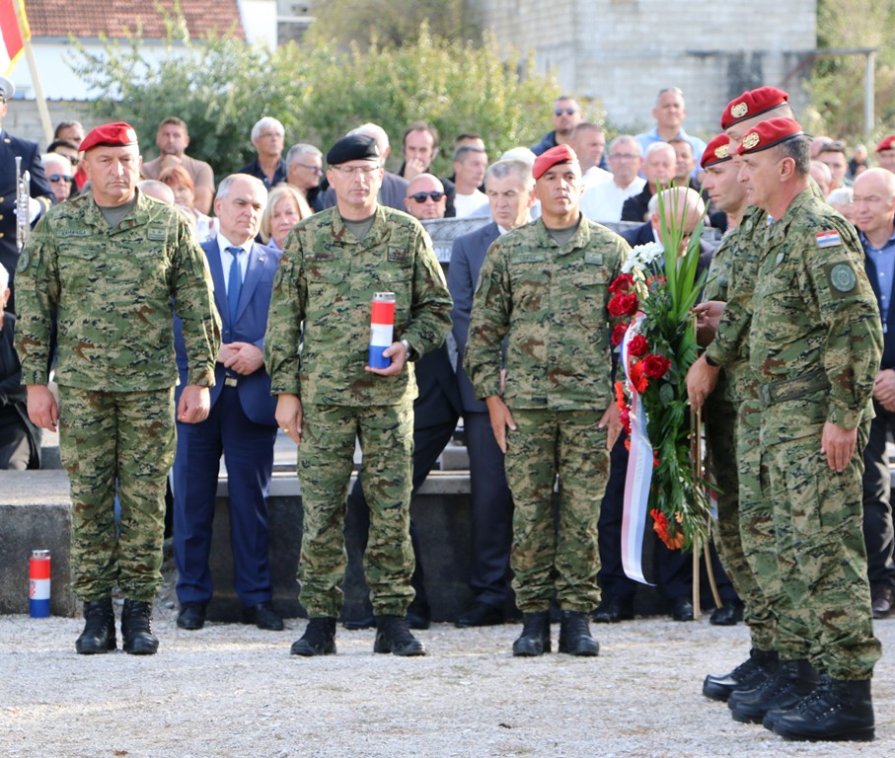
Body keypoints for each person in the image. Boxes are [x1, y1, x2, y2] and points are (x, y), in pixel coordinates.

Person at [15, 121, 221, 656]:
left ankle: (139, 613)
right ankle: (96, 614)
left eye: (126, 159)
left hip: (148, 388)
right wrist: (35, 383)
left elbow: (197, 303)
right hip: (82, 388)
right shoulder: (60, 226)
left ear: (138, 162)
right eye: (106, 161)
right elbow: (34, 307)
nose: (118, 170)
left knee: (146, 502)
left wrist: (201, 378)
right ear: (86, 167)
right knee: (87, 501)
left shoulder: (167, 224)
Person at [265, 133, 452, 657]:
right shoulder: (308, 237)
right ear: (331, 177)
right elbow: (283, 319)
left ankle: (392, 619)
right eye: (348, 171)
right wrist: (285, 390)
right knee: (322, 509)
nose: (358, 180)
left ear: (380, 174)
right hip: (323, 397)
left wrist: (409, 346)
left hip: (387, 399)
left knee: (390, 508)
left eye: (367, 170)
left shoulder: (406, 233)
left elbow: (438, 308)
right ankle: (320, 621)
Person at [727, 117, 882, 742]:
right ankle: (810, 675)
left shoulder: (818, 231)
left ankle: (849, 697)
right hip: (781, 426)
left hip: (817, 426)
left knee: (827, 557)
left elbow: (857, 327)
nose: (742, 175)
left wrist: (843, 417)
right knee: (794, 557)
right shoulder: (779, 232)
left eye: (751, 165)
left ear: (785, 167)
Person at [464, 144, 627, 657]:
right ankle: (533, 617)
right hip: (526, 409)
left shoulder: (610, 250)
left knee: (582, 516)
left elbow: (631, 335)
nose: (561, 186)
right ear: (536, 189)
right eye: (551, 178)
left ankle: (577, 618)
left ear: (582, 185)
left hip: (589, 408)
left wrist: (621, 397)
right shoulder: (509, 251)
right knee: (530, 516)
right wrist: (492, 398)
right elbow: (483, 333)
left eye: (569, 177)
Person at [688, 84, 794, 708]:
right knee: (739, 534)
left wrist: (714, 348)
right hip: (736, 408)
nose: (719, 178)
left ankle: (792, 662)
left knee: (769, 537)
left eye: (729, 162)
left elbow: (759, 317)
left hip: (768, 408)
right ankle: (769, 650)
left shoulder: (788, 226)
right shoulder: (740, 231)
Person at [342, 169, 461, 632]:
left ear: (446, 203)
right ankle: (390, 602)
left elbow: (443, 314)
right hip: (388, 398)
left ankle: (410, 603)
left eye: (436, 196)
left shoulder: (456, 244)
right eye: (419, 197)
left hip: (437, 402)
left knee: (380, 495)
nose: (429, 203)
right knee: (371, 496)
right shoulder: (384, 241)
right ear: (404, 203)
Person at [173, 174, 283, 633]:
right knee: (191, 502)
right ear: (218, 207)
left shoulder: (277, 263)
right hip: (199, 396)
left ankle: (256, 599)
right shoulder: (191, 258)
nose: (249, 213)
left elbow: (294, 323)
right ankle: (192, 598)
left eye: (257, 206)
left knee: (251, 505)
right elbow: (172, 319)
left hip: (253, 401)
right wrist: (210, 352)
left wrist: (262, 351)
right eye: (240, 203)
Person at [448, 159, 535, 627]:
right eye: (494, 195)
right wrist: (492, 372)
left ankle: (537, 593)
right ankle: (488, 593)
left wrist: (520, 369)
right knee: (490, 496)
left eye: (510, 194)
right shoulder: (468, 247)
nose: (501, 203)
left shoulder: (544, 243)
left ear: (529, 195)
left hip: (541, 390)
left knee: (539, 496)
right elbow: (463, 315)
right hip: (486, 393)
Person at [851, 167, 895, 620]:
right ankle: (880, 584)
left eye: (872, 200)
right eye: (857, 199)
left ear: (892, 205)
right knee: (870, 486)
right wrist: (874, 375)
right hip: (864, 384)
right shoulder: (844, 249)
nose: (861, 208)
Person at [0, 76, 55, 314]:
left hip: (9, 261)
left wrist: (35, 207)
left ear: (4, 108)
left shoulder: (24, 149)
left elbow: (49, 198)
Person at [0, 264, 40, 470]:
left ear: (5, 296)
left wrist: (2, 392)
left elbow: (31, 371)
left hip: (13, 421)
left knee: (12, 466)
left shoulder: (21, 331)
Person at [141, 117, 215, 214]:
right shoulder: (144, 169)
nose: (170, 140)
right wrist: (166, 171)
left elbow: (202, 208)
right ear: (157, 138)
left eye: (176, 136)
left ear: (186, 141)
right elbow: (142, 207)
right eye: (166, 135)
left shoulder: (201, 169)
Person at [580, 135, 645, 223]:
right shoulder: (591, 194)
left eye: (628, 156)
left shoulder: (648, 192)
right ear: (609, 160)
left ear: (640, 161)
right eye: (617, 156)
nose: (623, 161)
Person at [636, 87, 707, 163]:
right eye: (666, 106)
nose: (672, 110)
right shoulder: (638, 145)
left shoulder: (698, 148)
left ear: (684, 113)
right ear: (655, 112)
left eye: (676, 106)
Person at [159, 164, 218, 242]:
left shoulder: (212, 224)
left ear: (192, 192)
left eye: (181, 189)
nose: (177, 195)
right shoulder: (158, 227)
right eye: (170, 191)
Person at [620, 141, 676, 222]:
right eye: (655, 164)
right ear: (644, 168)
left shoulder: (685, 203)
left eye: (666, 165)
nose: (660, 169)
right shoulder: (632, 205)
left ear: (675, 170)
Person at [259, 184, 311, 251]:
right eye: (276, 215)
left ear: (301, 217)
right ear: (267, 222)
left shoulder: (319, 251)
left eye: (289, 213)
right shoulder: (258, 256)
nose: (284, 221)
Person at [571, 122, 611, 189]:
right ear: (574, 145)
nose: (599, 150)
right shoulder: (556, 178)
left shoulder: (608, 182)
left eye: (601, 145)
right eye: (593, 145)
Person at [452, 145, 488, 218]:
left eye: (484, 165)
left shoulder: (487, 203)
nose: (481, 171)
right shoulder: (438, 200)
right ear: (458, 166)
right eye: (476, 164)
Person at [284, 143, 323, 209]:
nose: (320, 173)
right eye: (314, 168)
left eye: (320, 169)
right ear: (294, 169)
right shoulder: (275, 199)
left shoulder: (322, 198)